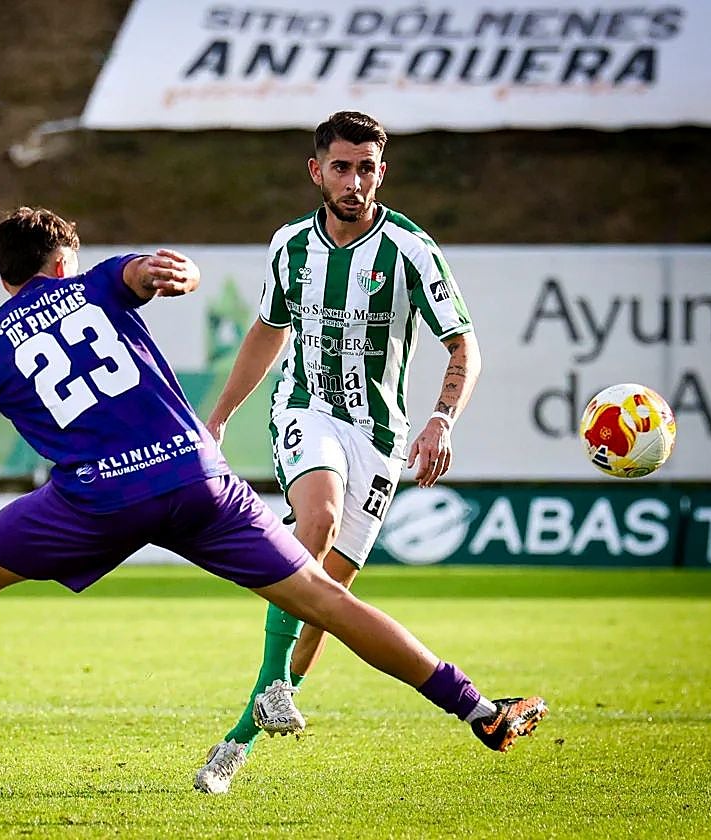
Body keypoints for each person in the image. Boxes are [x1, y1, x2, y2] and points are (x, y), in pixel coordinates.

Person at [0, 206, 546, 812]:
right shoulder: (97, 282)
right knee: (327, 600)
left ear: (4, 279)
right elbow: (156, 270)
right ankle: (480, 710)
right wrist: (180, 274)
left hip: (98, 498)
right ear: (61, 265)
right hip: (195, 476)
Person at [194, 110, 503, 793]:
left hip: (381, 437)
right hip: (306, 410)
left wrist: (442, 419)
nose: (354, 180)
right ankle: (275, 687)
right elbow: (268, 331)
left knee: (328, 595)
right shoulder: (290, 246)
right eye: (342, 166)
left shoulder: (412, 250)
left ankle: (238, 739)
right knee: (319, 515)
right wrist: (218, 416)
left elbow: (463, 345)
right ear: (317, 171)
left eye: (367, 168)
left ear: (381, 173)